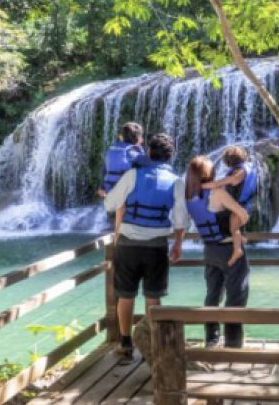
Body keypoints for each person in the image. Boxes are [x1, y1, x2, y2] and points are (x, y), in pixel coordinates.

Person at [104, 133, 186, 362]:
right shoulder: (176, 181)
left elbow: (110, 203)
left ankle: (125, 343)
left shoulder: (132, 175)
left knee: (125, 295)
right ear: (170, 156)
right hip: (157, 246)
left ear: (149, 152)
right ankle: (153, 342)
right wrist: (178, 244)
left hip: (128, 244)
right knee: (153, 297)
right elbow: (181, 219)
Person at [185, 155, 250, 348]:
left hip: (210, 251)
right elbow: (243, 214)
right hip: (229, 249)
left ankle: (211, 339)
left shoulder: (189, 196)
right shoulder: (217, 194)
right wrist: (237, 226)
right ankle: (233, 342)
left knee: (212, 294)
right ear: (209, 173)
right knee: (236, 295)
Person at [201, 146, 257, 267]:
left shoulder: (240, 171)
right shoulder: (248, 167)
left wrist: (208, 185)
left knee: (234, 228)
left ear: (228, 162)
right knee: (234, 227)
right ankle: (239, 239)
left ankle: (237, 250)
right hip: (243, 204)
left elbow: (232, 181)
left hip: (240, 206)